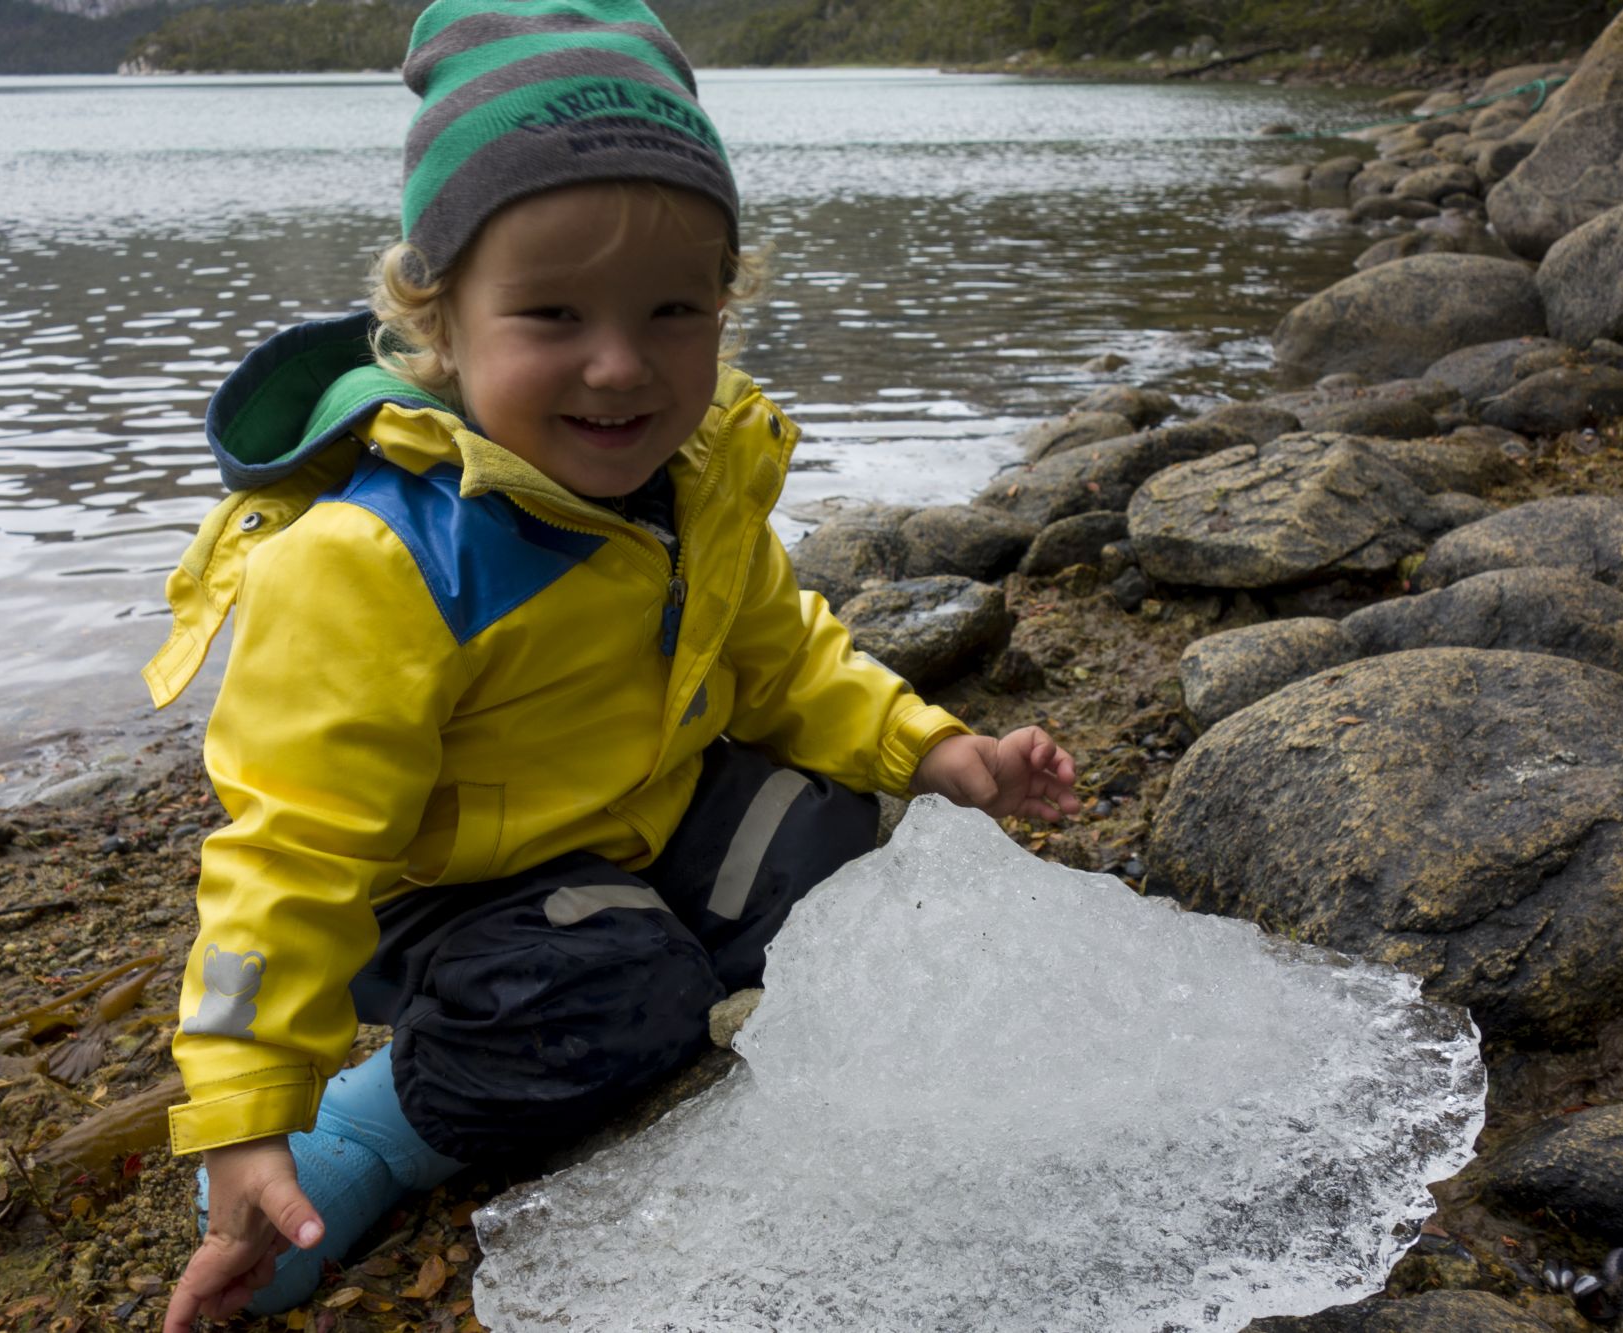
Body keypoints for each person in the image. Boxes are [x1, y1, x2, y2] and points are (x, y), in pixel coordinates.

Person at [152, 3, 1079, 1327]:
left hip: (645, 812)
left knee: (844, 833)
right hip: (461, 896)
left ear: (725, 304)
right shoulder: (378, 561)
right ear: (439, 320)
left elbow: (784, 661)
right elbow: (288, 856)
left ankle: (686, 970)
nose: (619, 364)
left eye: (673, 310)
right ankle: (373, 1131)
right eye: (552, 313)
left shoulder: (695, 479)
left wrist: (934, 747)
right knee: (605, 994)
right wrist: (247, 1110)